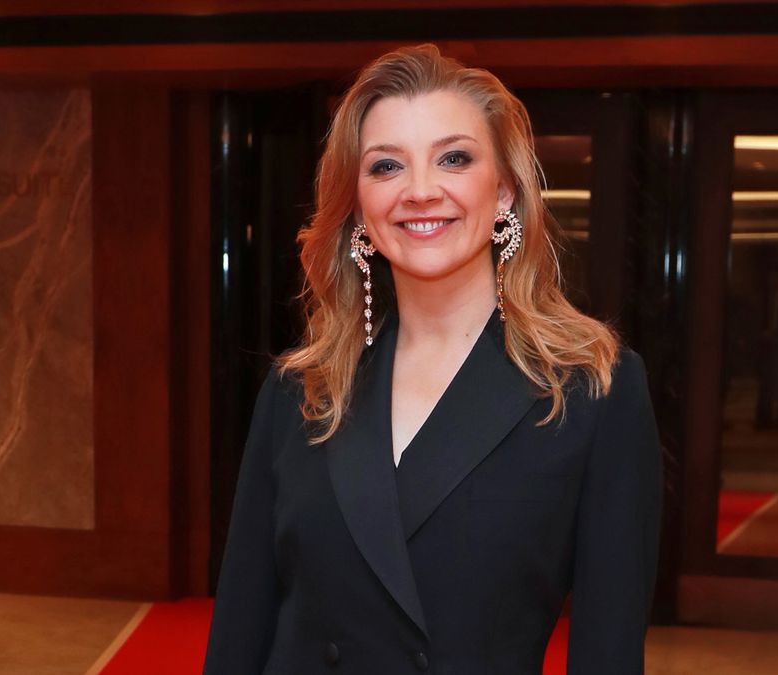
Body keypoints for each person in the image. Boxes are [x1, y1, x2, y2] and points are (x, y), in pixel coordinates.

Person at [203, 44, 664, 675]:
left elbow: (607, 652)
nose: (420, 191)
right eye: (386, 167)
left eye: (454, 158)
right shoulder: (300, 390)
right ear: (359, 208)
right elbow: (240, 628)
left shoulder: (590, 393)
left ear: (503, 191)